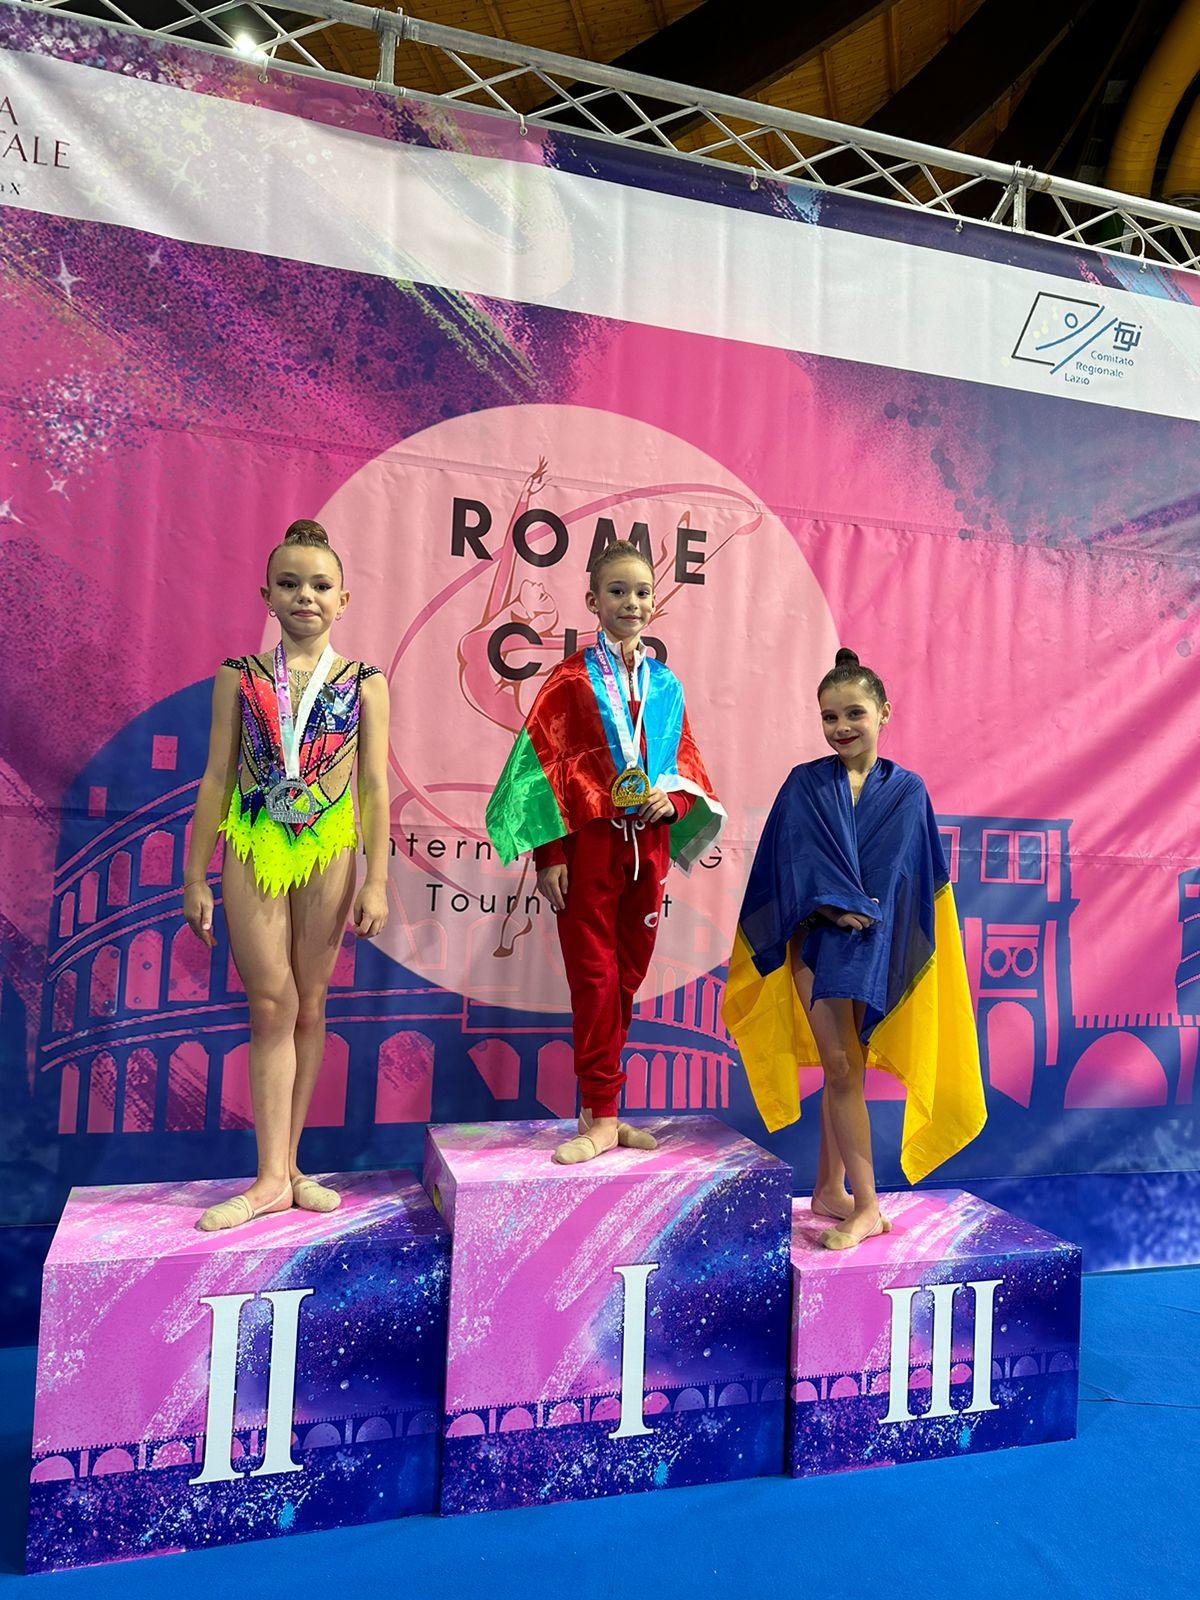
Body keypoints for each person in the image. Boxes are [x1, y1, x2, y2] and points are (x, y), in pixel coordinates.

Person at [724, 648, 985, 1249]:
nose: (841, 727)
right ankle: (866, 1206)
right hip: (815, 939)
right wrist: (832, 906)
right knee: (841, 1065)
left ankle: (828, 1190)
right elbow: (787, 865)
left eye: (854, 714)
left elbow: (907, 876)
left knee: (850, 1068)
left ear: (884, 712)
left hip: (873, 943)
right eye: (829, 717)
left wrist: (864, 913)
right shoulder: (804, 783)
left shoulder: (908, 790)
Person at [486, 540, 725, 1164]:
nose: (631, 602)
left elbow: (684, 766)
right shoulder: (568, 681)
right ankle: (602, 1113)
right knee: (593, 976)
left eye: (642, 592)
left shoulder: (666, 685)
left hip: (648, 847)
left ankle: (602, 1112)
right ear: (593, 601)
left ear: (656, 602)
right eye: (617, 591)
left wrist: (674, 803)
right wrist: (550, 856)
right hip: (589, 847)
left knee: (627, 977)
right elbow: (539, 770)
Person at [182, 519, 391, 1230]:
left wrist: (377, 878)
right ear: (266, 594)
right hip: (254, 844)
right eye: (291, 583)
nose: (306, 595)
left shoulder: (365, 682)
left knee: (310, 1003)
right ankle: (269, 1175)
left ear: (344, 599)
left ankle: (290, 1168)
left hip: (328, 849)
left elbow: (373, 789)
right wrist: (194, 875)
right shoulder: (238, 677)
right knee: (270, 1003)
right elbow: (215, 778)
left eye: (321, 585)